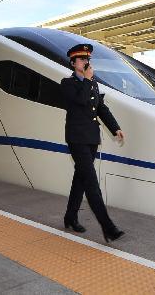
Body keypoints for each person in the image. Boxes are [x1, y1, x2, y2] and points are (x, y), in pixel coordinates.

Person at [60, 43, 125, 243]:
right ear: (73, 63)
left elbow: (101, 108)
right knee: (91, 183)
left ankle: (70, 217)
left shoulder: (93, 84)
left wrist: (115, 127)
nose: (85, 62)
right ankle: (108, 227)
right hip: (77, 138)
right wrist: (88, 80)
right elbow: (80, 100)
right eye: (81, 59)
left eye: (87, 59)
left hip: (91, 139)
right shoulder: (68, 83)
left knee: (80, 180)